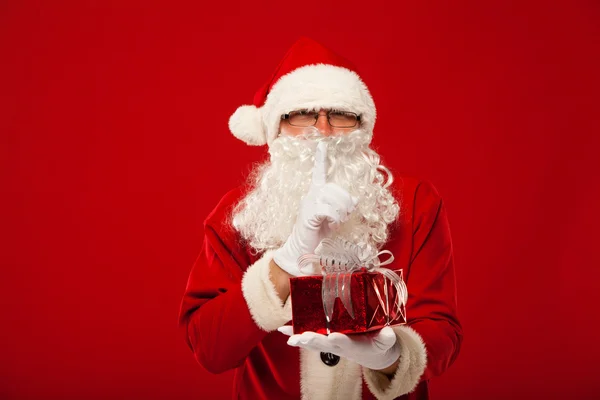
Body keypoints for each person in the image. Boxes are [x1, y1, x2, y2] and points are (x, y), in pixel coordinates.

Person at [178, 37, 463, 400]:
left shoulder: (415, 204)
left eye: (341, 114)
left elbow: (444, 333)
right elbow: (210, 348)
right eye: (303, 113)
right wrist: (284, 262)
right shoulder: (238, 214)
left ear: (363, 127)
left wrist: (390, 356)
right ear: (276, 128)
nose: (323, 131)